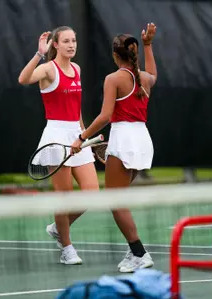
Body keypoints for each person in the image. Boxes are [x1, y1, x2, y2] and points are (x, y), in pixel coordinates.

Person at [71, 23, 158, 273]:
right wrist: (149, 45)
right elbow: (153, 73)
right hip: (142, 140)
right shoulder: (145, 79)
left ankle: (139, 253)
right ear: (134, 54)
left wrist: (81, 137)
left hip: (124, 140)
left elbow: (105, 115)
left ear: (114, 55)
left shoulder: (113, 79)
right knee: (118, 199)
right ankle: (134, 252)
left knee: (115, 201)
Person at [18, 26, 99, 265]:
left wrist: (83, 136)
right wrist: (38, 54)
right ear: (56, 44)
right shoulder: (47, 69)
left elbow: (77, 107)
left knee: (92, 194)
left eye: (74, 40)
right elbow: (23, 79)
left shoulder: (77, 69)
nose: (72, 45)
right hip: (55, 137)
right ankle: (67, 247)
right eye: (66, 41)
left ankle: (57, 228)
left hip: (77, 135)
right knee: (64, 198)